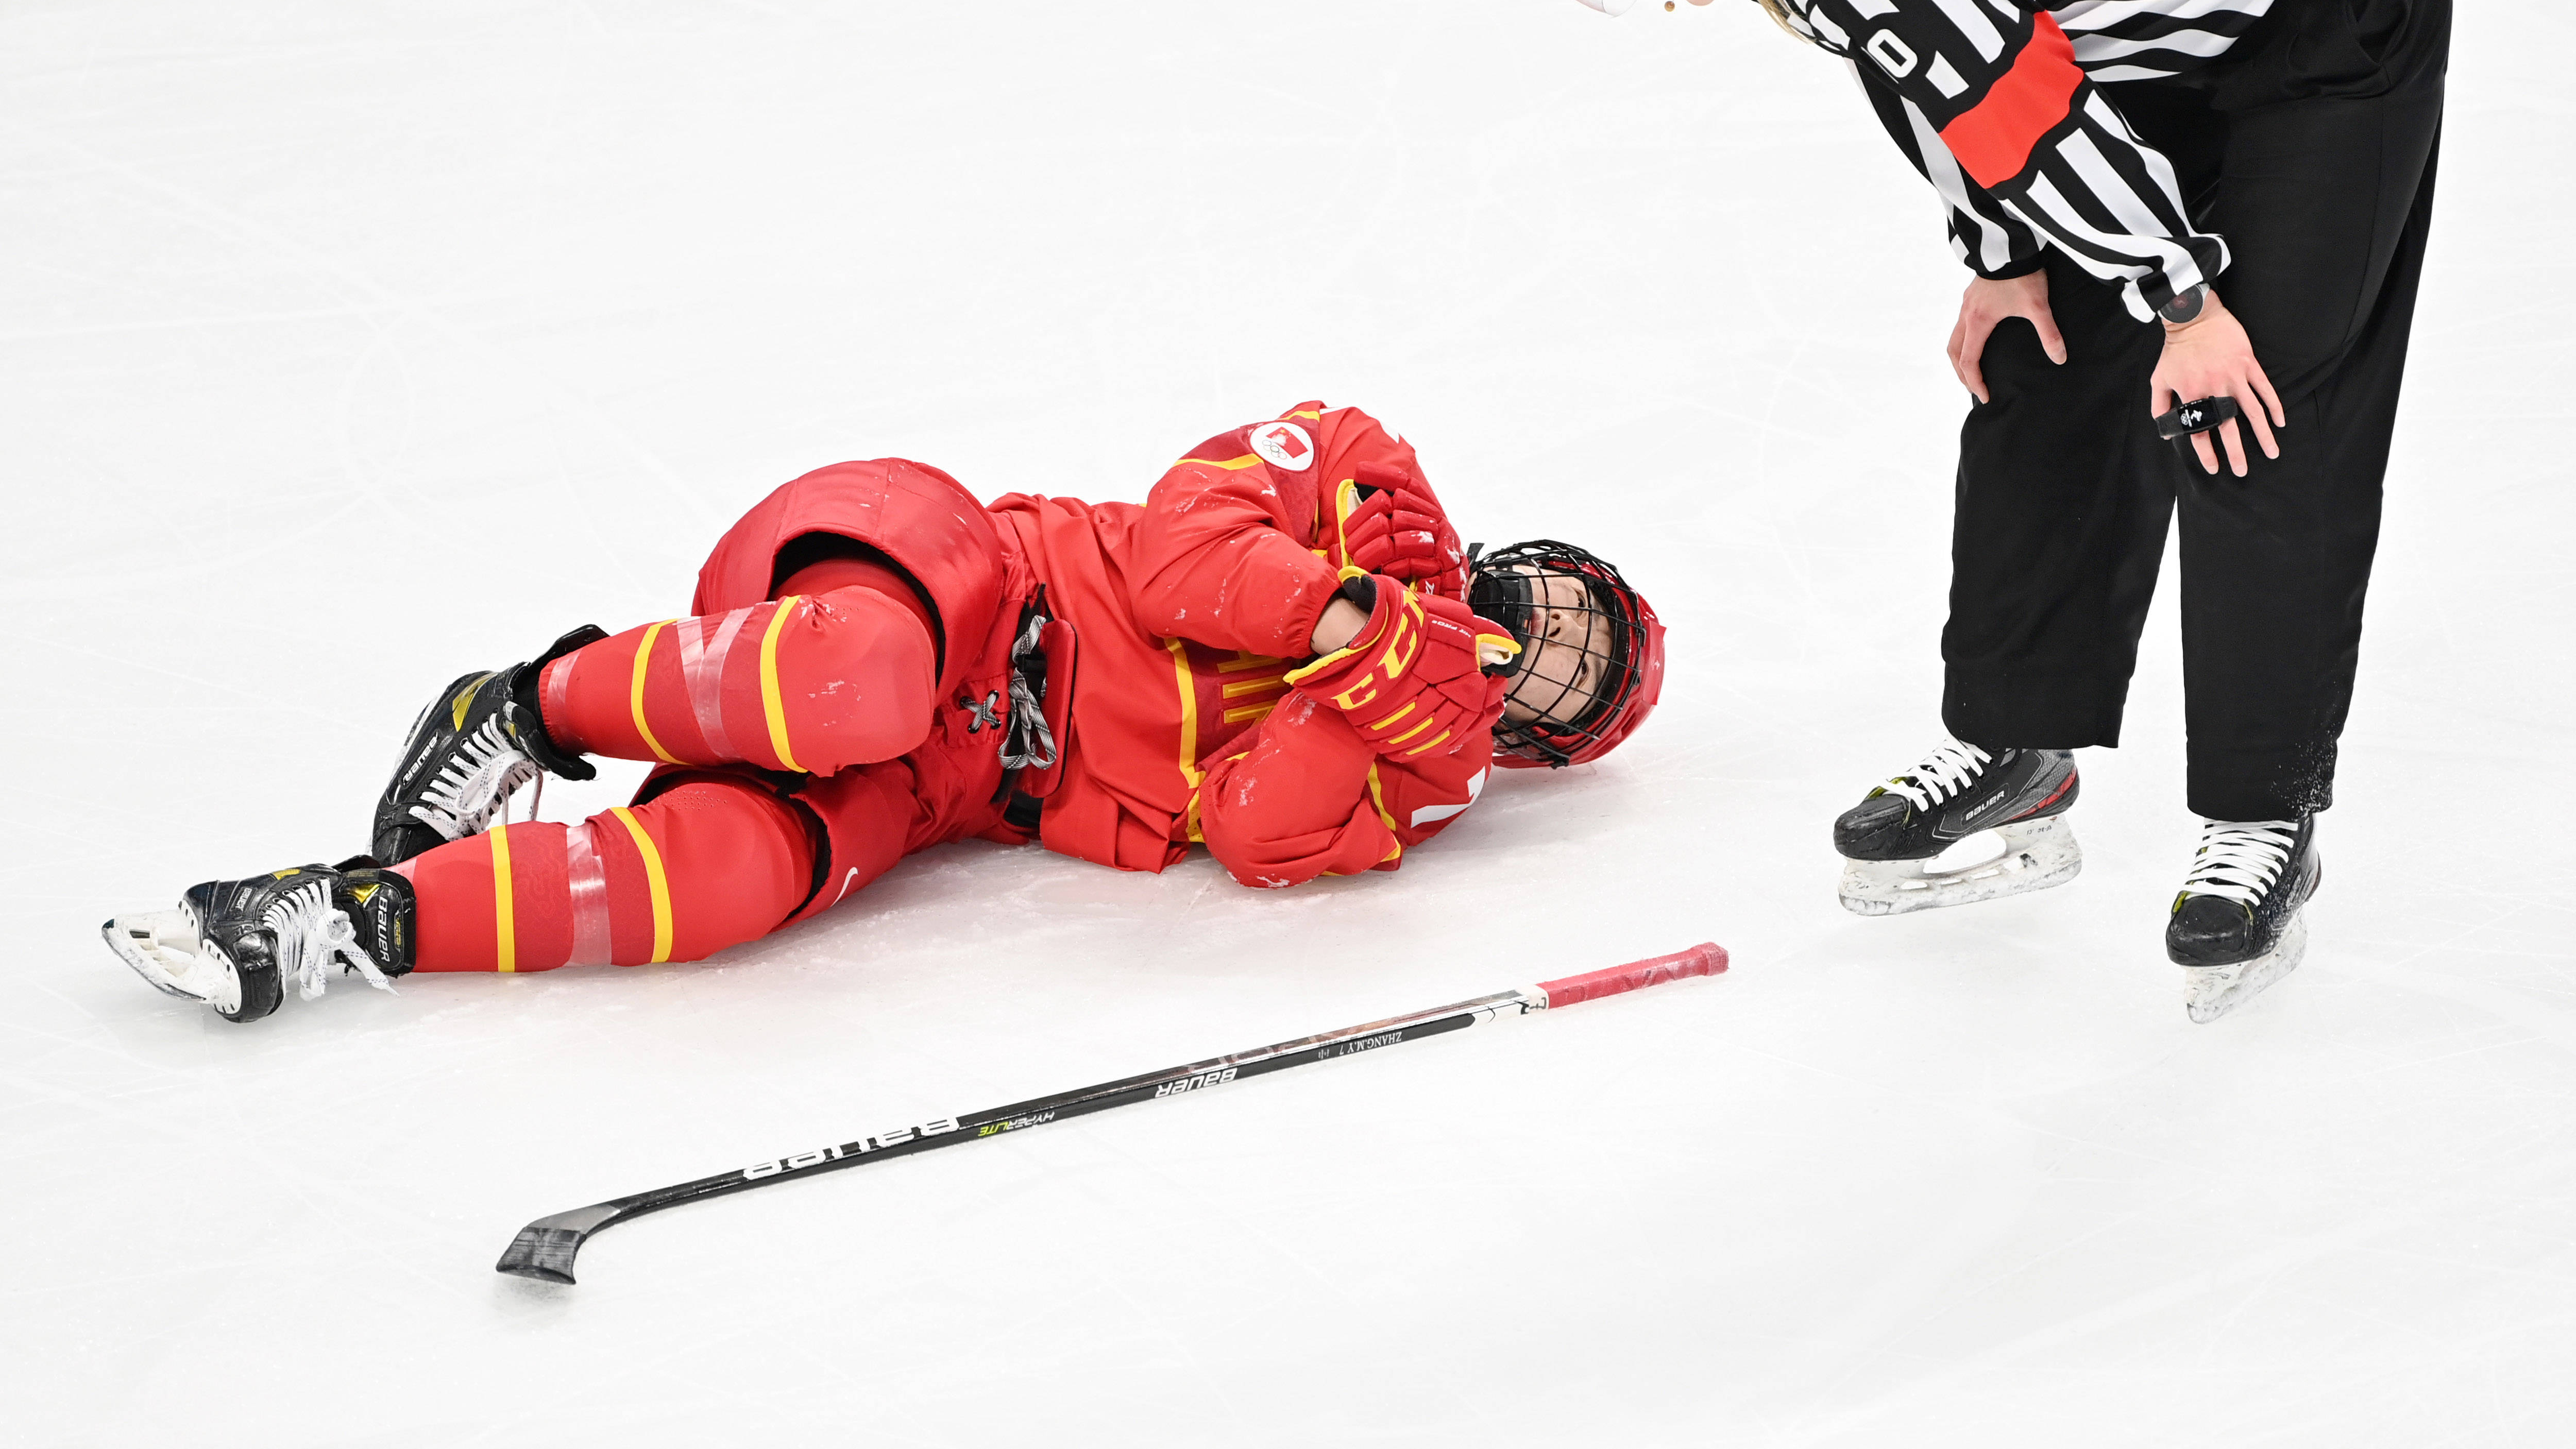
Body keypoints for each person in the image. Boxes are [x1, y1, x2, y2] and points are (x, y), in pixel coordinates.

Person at [1508, 0, 2446, 1020]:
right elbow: (1949, 70)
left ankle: (2263, 809)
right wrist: (2004, 260)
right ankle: (2021, 744)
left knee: (2242, 398)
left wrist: (2184, 299)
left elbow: (2014, 97)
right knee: (2036, 354)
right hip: (2144, 16)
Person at [105, 403, 1665, 1024]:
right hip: (955, 578)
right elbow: (1190, 549)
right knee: (858, 682)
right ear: (1525, 560)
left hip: (957, 782)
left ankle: (338, 921)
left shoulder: (1417, 782)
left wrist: (1391, 707)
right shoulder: (1359, 467)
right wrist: (1353, 621)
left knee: (735, 884)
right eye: (1557, 617)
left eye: (1556, 691)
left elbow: (1255, 829)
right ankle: (519, 708)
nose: (1532, 654)